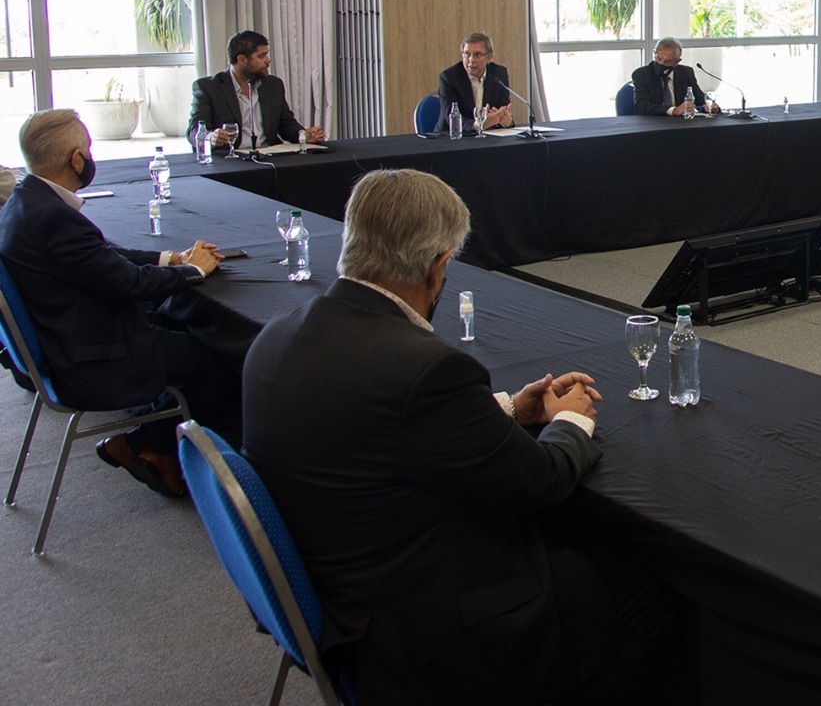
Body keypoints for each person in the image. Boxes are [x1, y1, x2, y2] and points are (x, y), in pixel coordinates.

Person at [242, 169, 673, 703]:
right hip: (419, 632)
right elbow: (540, 482)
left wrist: (511, 409)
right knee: (645, 595)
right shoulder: (424, 369)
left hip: (334, 595)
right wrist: (571, 421)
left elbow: (381, 426)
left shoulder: (278, 333)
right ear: (438, 265)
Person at [0, 110, 241, 497]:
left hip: (64, 336)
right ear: (76, 159)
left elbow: (101, 258)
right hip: (91, 355)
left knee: (186, 327)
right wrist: (194, 271)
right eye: (88, 150)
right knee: (225, 361)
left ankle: (153, 447)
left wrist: (172, 258)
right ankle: (147, 444)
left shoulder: (24, 202)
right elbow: (131, 283)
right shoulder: (53, 219)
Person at [189, 30, 325, 149]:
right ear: (242, 60)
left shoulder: (273, 85)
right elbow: (194, 131)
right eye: (261, 56)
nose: (268, 60)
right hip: (230, 160)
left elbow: (286, 124)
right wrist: (211, 137)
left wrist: (304, 135)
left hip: (269, 156)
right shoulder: (208, 88)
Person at [438, 31, 513, 131]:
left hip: (489, 135)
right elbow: (450, 116)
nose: (471, 60)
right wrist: (479, 125)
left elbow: (502, 109)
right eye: (467, 54)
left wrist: (507, 122)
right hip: (453, 135)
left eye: (477, 55)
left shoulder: (499, 74)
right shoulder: (449, 77)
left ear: (489, 57)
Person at [630, 37, 718, 117]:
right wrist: (673, 110)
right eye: (658, 58)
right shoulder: (641, 74)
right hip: (653, 124)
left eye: (667, 61)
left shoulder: (686, 73)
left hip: (681, 124)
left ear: (677, 62)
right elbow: (642, 107)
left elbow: (700, 100)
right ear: (654, 53)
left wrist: (710, 107)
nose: (661, 63)